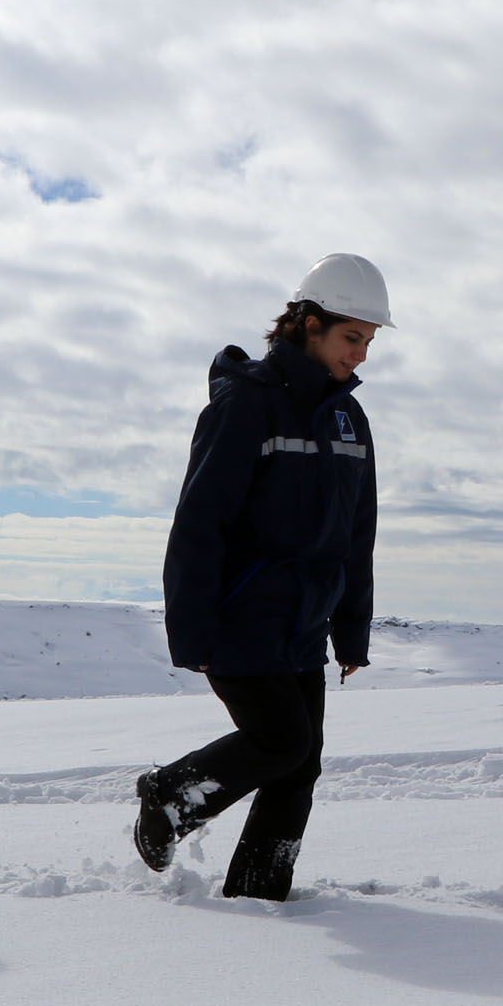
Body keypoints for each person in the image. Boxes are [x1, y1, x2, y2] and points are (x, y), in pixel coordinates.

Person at [133, 254, 388, 902]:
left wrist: (350, 631)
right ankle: (169, 795)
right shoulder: (247, 406)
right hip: (240, 615)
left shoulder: (348, 421)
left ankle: (259, 891)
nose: (360, 355)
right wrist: (189, 632)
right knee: (280, 740)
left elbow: (357, 539)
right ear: (308, 324)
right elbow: (199, 524)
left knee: (300, 764)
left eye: (368, 340)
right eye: (350, 337)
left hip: (303, 623)